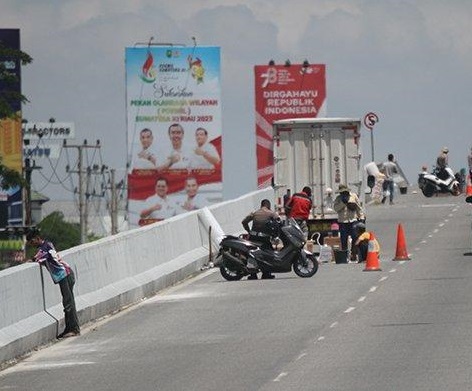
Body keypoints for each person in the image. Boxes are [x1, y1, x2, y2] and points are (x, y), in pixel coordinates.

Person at [25, 231, 81, 339]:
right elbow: (38, 256)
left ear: (37, 238)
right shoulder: (45, 246)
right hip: (65, 275)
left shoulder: (46, 247)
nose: (32, 244)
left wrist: (33, 260)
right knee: (68, 302)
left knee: (68, 304)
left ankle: (74, 329)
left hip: (65, 275)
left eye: (32, 242)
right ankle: (70, 329)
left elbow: (40, 257)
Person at [241, 199, 279, 280]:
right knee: (269, 253)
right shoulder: (271, 213)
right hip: (264, 238)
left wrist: (248, 230)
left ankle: (253, 274)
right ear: (268, 205)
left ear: (261, 205)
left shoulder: (255, 213)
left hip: (253, 237)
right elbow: (279, 221)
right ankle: (266, 273)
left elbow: (244, 222)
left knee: (252, 254)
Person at [333, 184, 365, 261]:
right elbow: (336, 209)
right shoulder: (338, 199)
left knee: (355, 237)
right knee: (343, 239)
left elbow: (358, 208)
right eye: (341, 193)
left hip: (353, 220)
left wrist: (361, 218)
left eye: (344, 192)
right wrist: (343, 203)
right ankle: (345, 255)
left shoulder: (353, 196)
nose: (342, 194)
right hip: (342, 222)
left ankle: (353, 254)